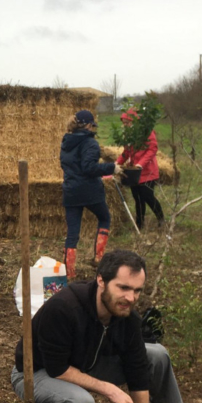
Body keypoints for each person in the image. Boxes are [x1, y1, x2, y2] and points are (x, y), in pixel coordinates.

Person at [10, 249, 201, 403]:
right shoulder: (64, 309)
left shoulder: (128, 317)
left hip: (86, 364)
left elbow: (138, 374)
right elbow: (57, 369)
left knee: (156, 355)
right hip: (38, 372)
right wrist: (110, 389)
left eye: (137, 290)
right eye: (123, 287)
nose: (131, 298)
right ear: (101, 280)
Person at [60, 109, 122, 280]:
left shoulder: (66, 142)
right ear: (88, 125)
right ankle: (98, 258)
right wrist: (112, 168)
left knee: (73, 233)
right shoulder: (90, 143)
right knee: (104, 218)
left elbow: (66, 165)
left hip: (71, 191)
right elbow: (89, 168)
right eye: (92, 125)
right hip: (89, 191)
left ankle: (69, 273)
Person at [115, 108, 165, 230]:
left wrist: (140, 164)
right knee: (137, 198)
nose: (125, 125)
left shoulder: (146, 131)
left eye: (127, 122)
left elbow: (152, 149)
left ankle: (161, 219)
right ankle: (139, 224)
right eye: (124, 123)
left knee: (147, 196)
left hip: (147, 171)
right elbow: (127, 152)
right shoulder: (128, 135)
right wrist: (117, 163)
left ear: (134, 121)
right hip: (133, 171)